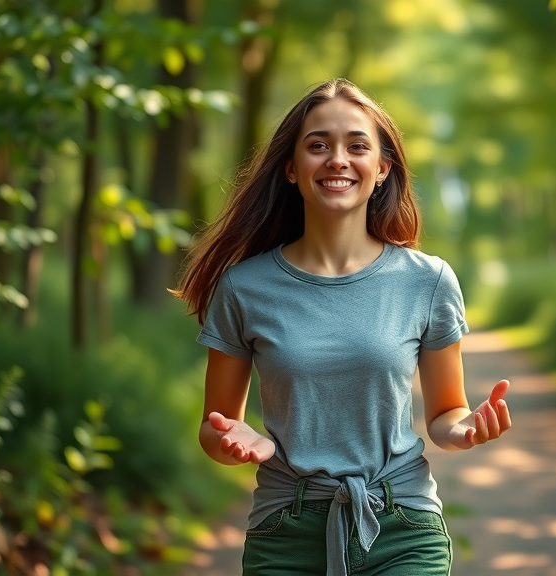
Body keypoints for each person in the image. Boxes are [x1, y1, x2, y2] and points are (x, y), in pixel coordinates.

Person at [172, 78, 512, 576]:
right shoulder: (245, 288)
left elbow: (446, 411)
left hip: (402, 526)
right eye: (318, 145)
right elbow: (214, 424)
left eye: (357, 146)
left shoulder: (428, 281)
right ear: (291, 168)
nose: (337, 159)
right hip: (284, 530)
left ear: (381, 170)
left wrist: (463, 430)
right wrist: (234, 442)